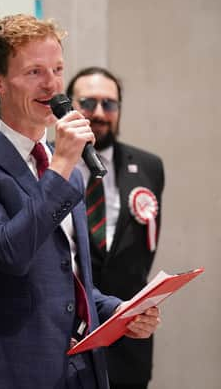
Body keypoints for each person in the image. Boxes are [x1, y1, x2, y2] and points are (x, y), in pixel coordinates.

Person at [0, 14, 161, 388]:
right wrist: (60, 168)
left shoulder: (61, 163)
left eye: (57, 68)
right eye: (34, 72)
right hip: (9, 371)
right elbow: (9, 253)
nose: (53, 85)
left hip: (78, 371)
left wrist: (116, 311)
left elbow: (63, 272)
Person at [66, 66, 165, 389]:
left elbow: (142, 253)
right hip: (68, 335)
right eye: (88, 103)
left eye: (109, 104)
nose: (99, 113)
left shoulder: (149, 167)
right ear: (69, 106)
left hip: (130, 337)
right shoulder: (49, 164)